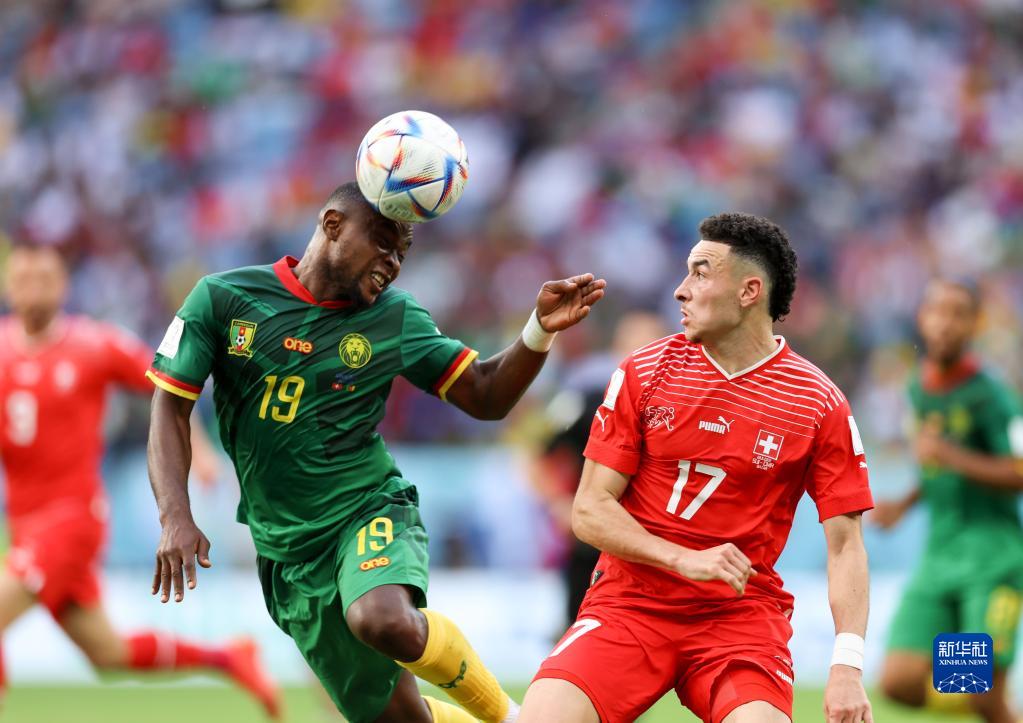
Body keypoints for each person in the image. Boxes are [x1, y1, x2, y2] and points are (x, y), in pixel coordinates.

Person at [145, 182, 606, 723]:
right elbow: (170, 405)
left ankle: (514, 717)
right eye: (384, 242)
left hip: (366, 510)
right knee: (401, 719)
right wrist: (175, 515)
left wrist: (538, 330)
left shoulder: (394, 317)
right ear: (333, 224)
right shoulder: (222, 298)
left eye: (402, 252)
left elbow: (485, 394)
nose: (393, 262)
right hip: (288, 553)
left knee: (382, 619)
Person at [519, 213, 875, 723]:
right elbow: (589, 510)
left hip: (739, 619)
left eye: (701, 273)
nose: (680, 290)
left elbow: (846, 545)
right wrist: (683, 558)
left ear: (749, 291)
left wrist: (847, 665)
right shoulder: (644, 371)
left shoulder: (817, 402)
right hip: (629, 605)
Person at [0, 243, 279, 716]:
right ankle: (230, 658)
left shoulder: (94, 345)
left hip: (70, 521)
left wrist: (200, 451)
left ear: (64, 286)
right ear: (9, 286)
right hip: (25, 526)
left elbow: (168, 384)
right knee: (108, 652)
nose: (33, 289)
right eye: (23, 279)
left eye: (44, 279)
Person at [873, 279, 1023, 723]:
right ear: (922, 317)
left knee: (979, 693)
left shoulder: (991, 395)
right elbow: (934, 467)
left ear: (975, 324)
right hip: (939, 558)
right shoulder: (918, 390)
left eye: (958, 313)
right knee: (898, 682)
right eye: (936, 310)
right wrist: (905, 503)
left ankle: (989, 702)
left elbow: (1019, 470)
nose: (944, 323)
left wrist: (951, 455)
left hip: (990, 559)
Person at [528, 311, 669, 630]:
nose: (646, 357)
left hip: (657, 549)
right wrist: (558, 505)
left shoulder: (687, 410)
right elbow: (538, 456)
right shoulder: (588, 398)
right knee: (581, 632)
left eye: (654, 346)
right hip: (593, 548)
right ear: (618, 350)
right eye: (636, 346)